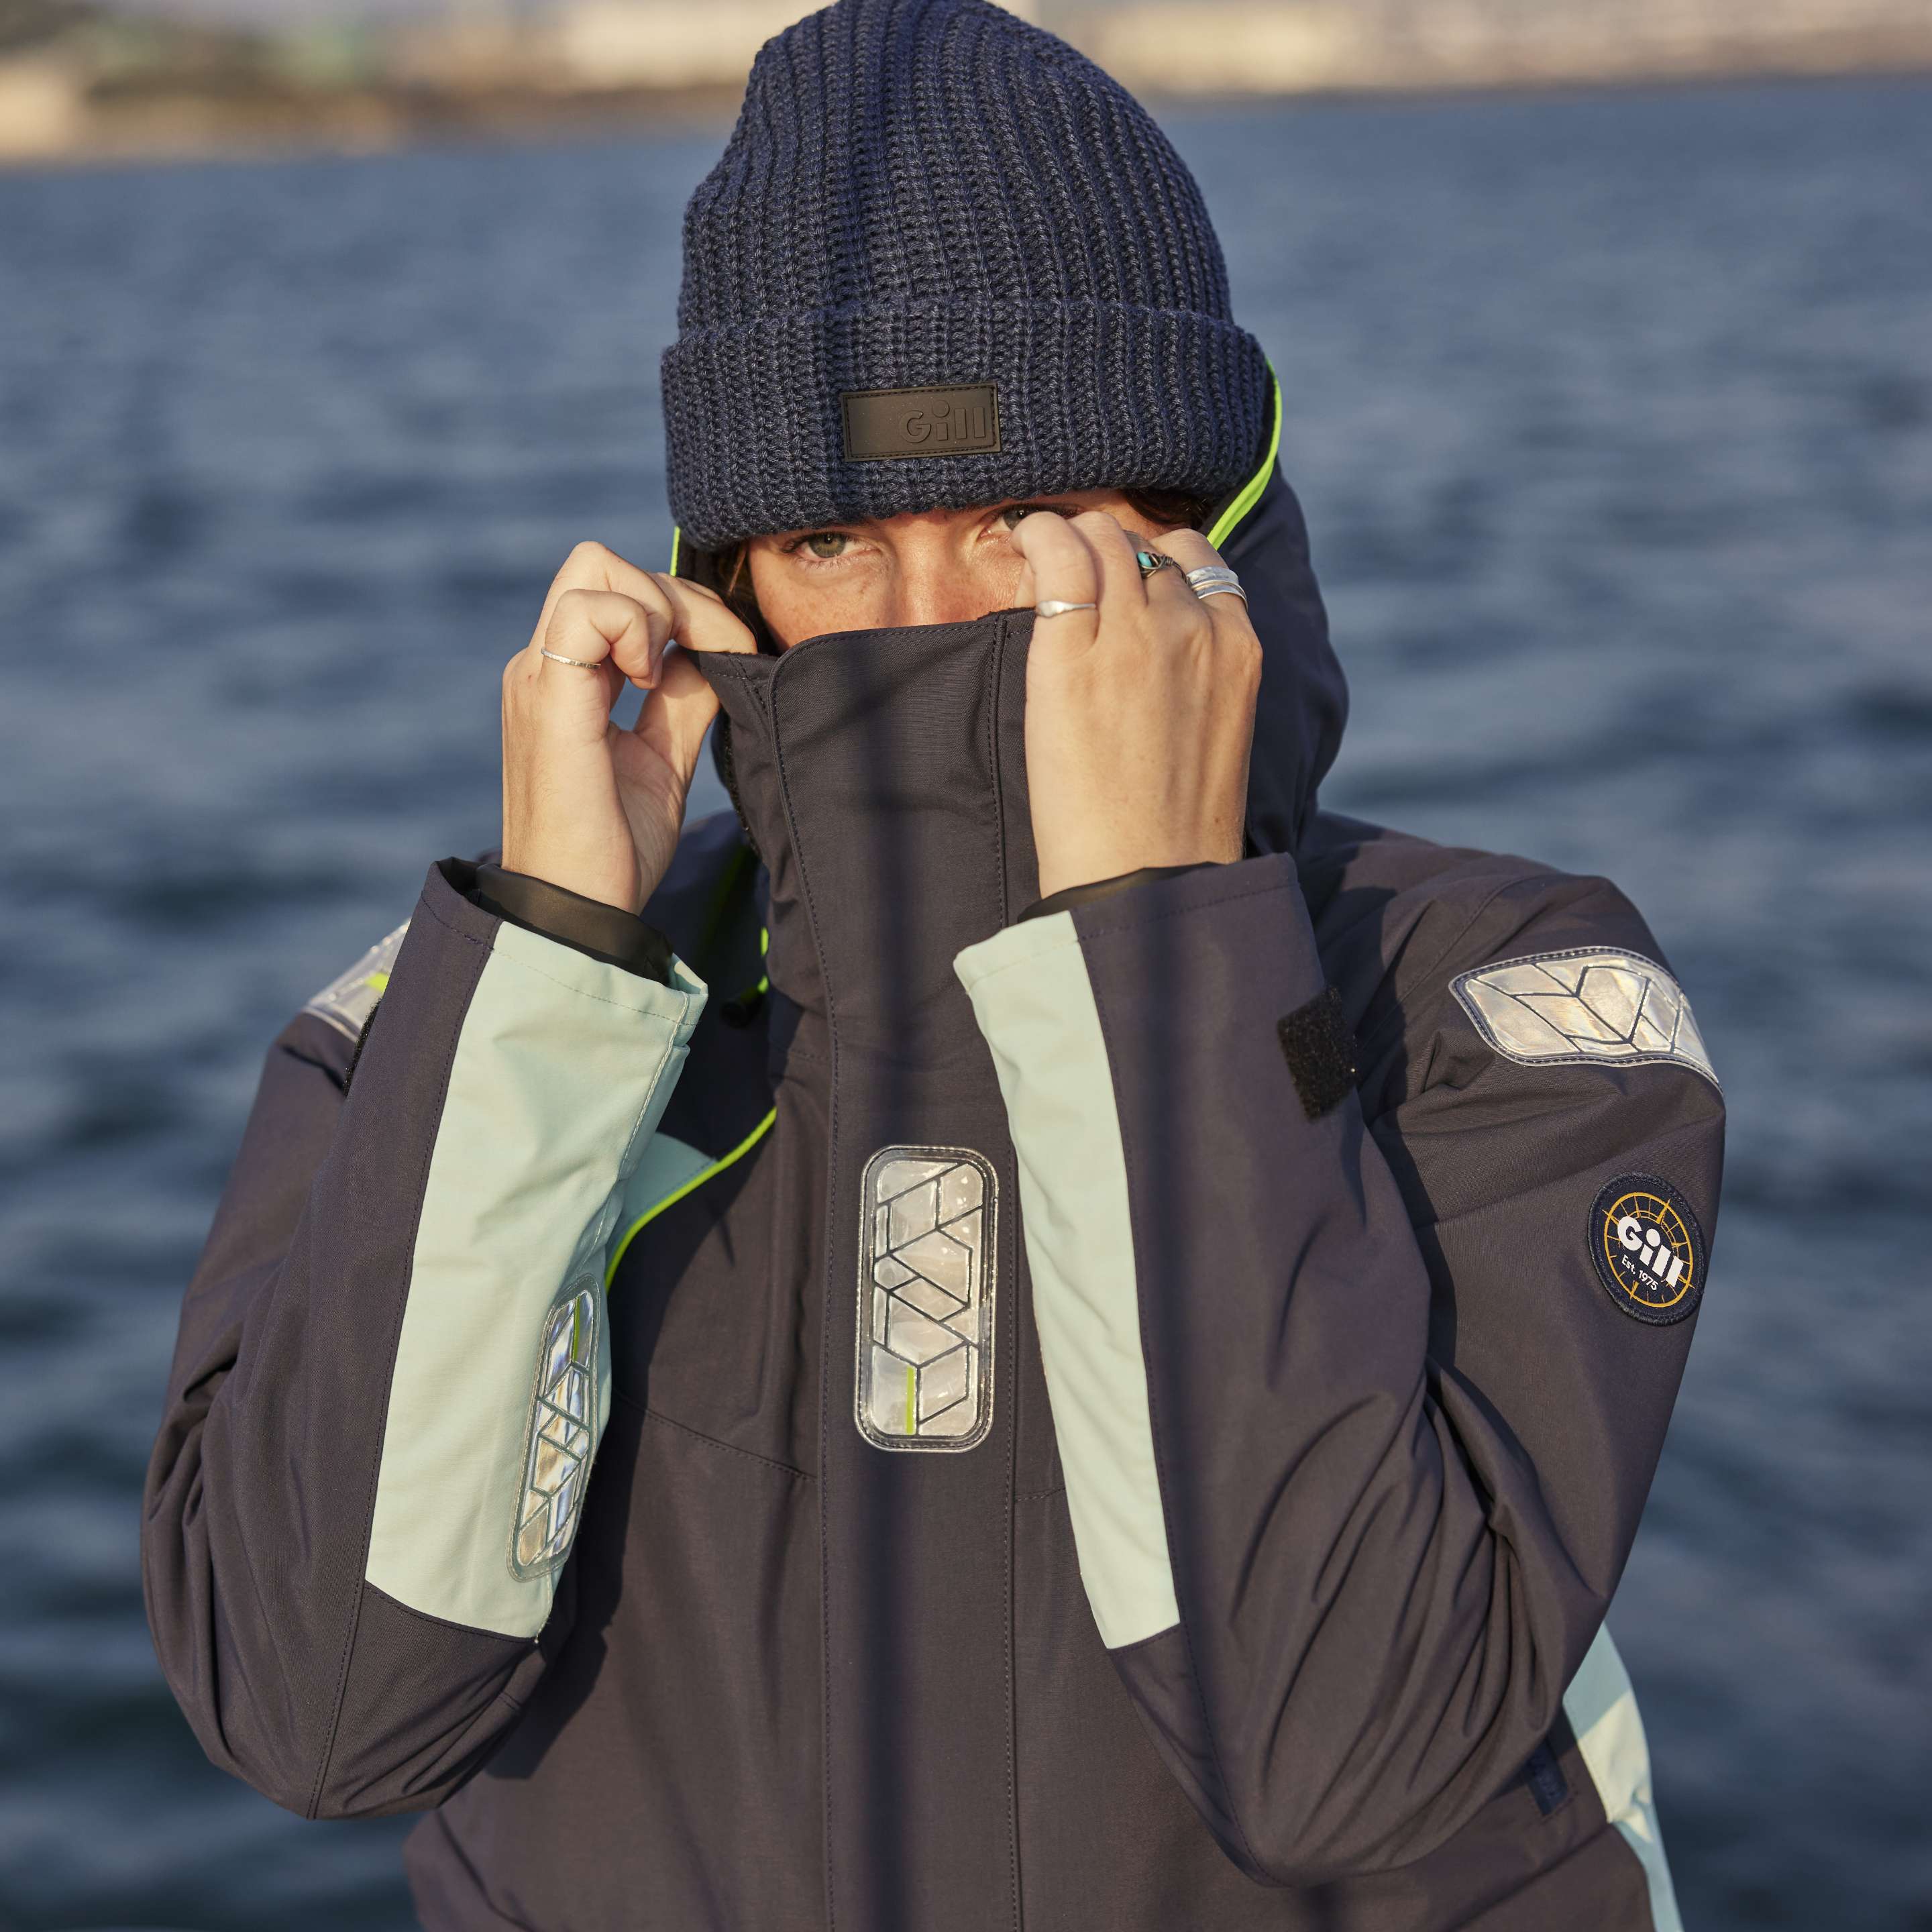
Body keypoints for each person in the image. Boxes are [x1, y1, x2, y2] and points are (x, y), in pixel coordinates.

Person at [142, 1, 1725, 1927]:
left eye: (1024, 520)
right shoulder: (455, 1030)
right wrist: (550, 962)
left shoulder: (1495, 1003)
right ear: (719, 580)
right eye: (829, 539)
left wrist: (1161, 945)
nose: (926, 619)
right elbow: (316, 1708)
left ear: (1205, 526)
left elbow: (1340, 1739)